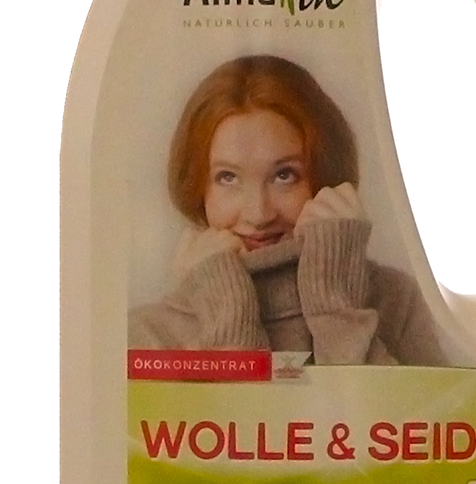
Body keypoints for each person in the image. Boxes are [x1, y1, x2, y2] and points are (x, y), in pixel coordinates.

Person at [128, 55, 446, 366]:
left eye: (284, 176)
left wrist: (338, 310)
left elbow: (390, 407)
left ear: (324, 179)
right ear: (198, 187)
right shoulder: (149, 333)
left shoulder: (396, 302)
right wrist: (228, 318)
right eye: (228, 177)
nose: (258, 214)